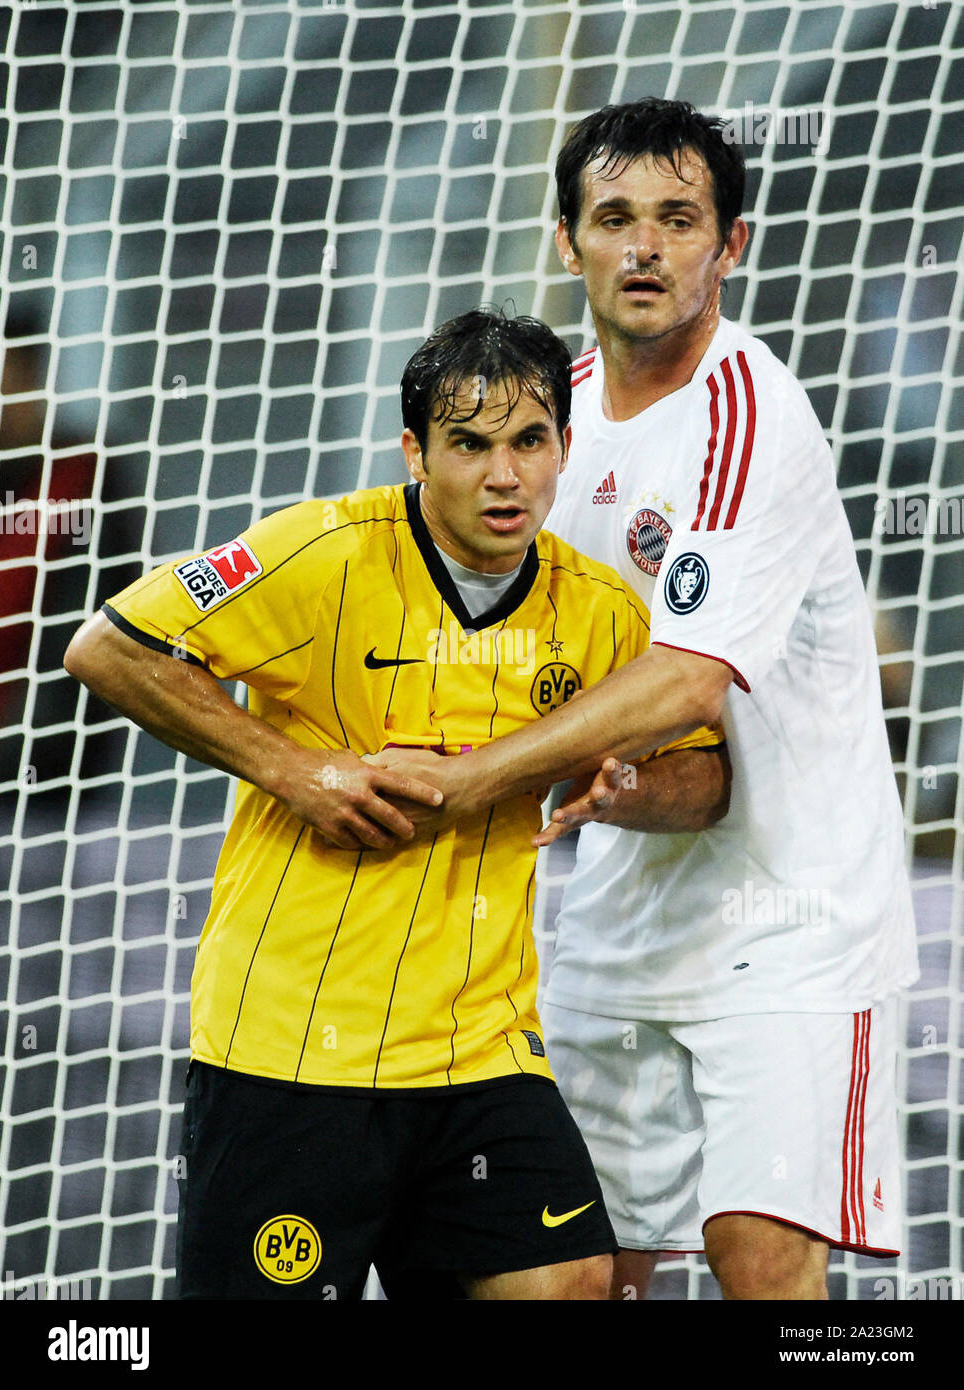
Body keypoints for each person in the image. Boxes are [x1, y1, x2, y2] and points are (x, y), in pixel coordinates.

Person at [63, 307, 726, 1301]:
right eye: (469, 443)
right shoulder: (322, 552)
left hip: (480, 1045)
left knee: (567, 1281)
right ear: (416, 450)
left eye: (528, 442)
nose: (504, 475)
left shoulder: (601, 610)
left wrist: (624, 785)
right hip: (289, 1046)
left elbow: (705, 780)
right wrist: (297, 769)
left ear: (563, 448)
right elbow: (109, 647)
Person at [370, 100, 919, 1300]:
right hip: (619, 920)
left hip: (796, 924)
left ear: (730, 245)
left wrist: (471, 776)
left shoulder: (747, 412)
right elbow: (666, 755)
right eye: (614, 218)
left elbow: (686, 679)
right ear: (567, 242)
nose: (645, 248)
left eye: (679, 219)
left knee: (758, 1258)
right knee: (577, 1271)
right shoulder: (538, 423)